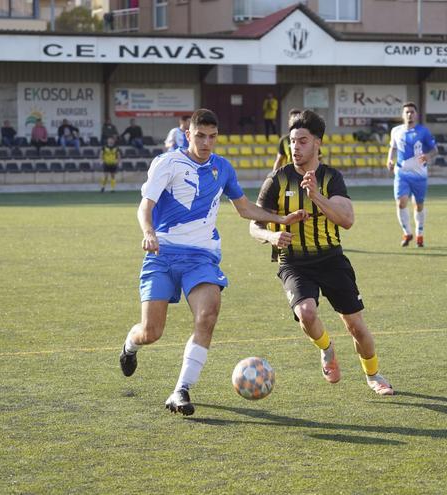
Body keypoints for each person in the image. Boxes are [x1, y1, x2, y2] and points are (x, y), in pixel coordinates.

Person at [118, 108, 308, 416]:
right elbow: (145, 206)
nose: (207, 143)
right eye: (200, 136)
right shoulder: (168, 163)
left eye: (212, 137)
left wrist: (278, 218)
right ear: (188, 134)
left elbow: (244, 208)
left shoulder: (223, 168)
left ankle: (181, 390)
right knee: (152, 331)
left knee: (207, 315)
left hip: (201, 257)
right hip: (162, 254)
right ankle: (131, 344)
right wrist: (149, 232)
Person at [250, 109, 395, 396]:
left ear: (317, 143)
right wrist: (271, 234)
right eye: (292, 141)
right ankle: (326, 348)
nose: (295, 147)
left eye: (302, 141)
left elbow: (347, 220)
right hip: (294, 263)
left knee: (356, 326)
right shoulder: (276, 180)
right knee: (306, 312)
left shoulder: (331, 178)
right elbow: (254, 225)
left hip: (331, 259)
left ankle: (373, 375)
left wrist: (316, 195)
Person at [386, 102, 438, 248]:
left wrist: (428, 156)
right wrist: (389, 159)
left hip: (419, 174)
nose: (409, 114)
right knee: (401, 202)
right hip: (401, 173)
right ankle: (407, 232)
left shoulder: (423, 131)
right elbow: (393, 147)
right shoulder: (396, 131)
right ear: (403, 115)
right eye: (407, 112)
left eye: (412, 112)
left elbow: (435, 150)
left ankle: (419, 233)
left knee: (418, 205)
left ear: (416, 114)